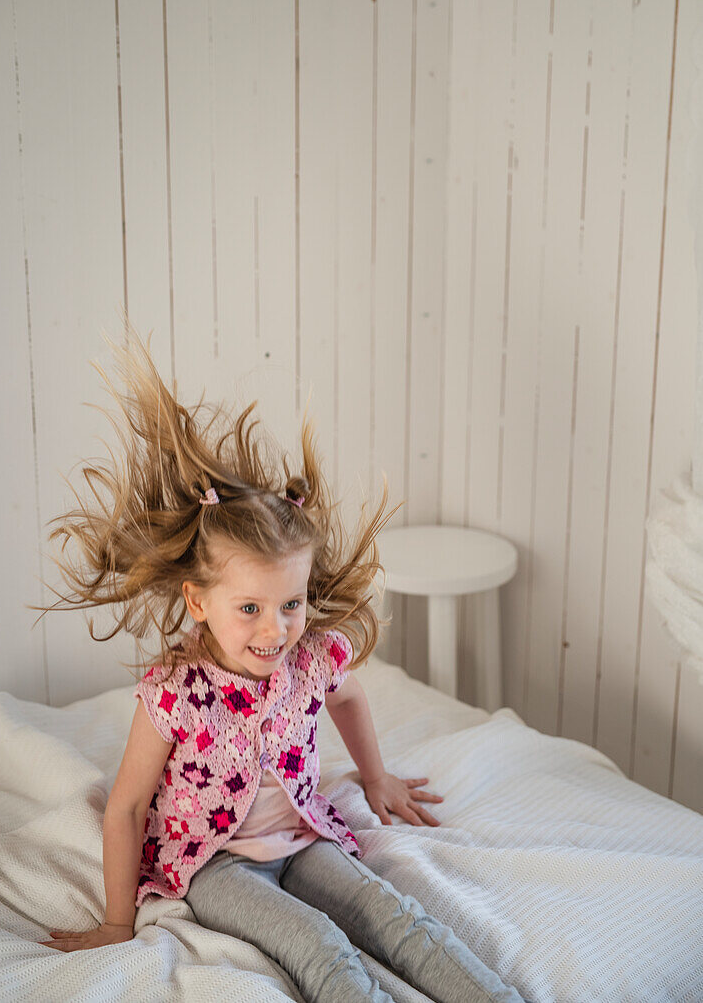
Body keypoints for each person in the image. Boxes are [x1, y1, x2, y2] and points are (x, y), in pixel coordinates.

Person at [38, 326, 523, 1003]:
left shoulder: (310, 659)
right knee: (321, 948)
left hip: (300, 836)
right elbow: (125, 808)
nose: (276, 630)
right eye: (250, 610)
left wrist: (375, 777)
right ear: (198, 601)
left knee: (401, 921)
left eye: (291, 603)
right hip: (218, 866)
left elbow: (349, 699)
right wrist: (119, 922)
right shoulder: (175, 695)